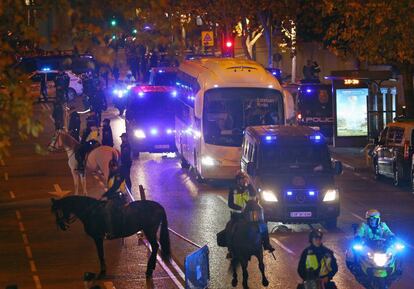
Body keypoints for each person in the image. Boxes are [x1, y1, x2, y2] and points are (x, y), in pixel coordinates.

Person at [225, 172, 274, 256]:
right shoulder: (233, 189)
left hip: (249, 214)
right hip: (238, 214)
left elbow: (256, 196)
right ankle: (230, 250)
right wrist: (240, 208)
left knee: (263, 226)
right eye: (242, 179)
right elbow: (230, 204)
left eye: (245, 179)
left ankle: (267, 244)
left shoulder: (249, 188)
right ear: (237, 180)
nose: (244, 181)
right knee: (229, 228)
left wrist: (250, 185)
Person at [102, 159, 127, 239]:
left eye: (114, 166)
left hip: (119, 197)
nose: (113, 168)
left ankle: (111, 232)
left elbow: (115, 186)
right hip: (113, 196)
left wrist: (106, 194)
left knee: (107, 209)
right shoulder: (112, 174)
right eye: (111, 167)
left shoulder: (119, 174)